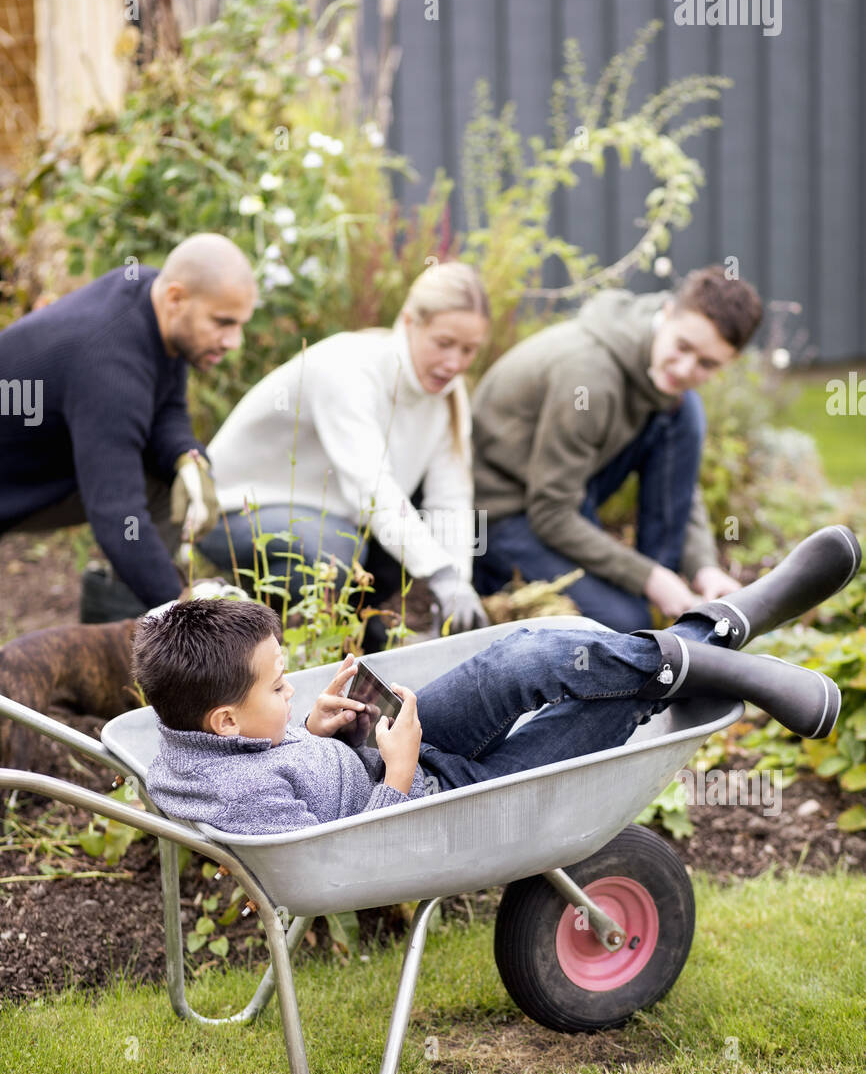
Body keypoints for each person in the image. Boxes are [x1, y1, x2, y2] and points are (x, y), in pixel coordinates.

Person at [132, 526, 859, 836]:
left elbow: (264, 753)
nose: (291, 690)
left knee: (531, 654)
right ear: (226, 719)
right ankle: (725, 634)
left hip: (386, 756)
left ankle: (722, 635)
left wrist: (306, 727)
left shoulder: (202, 730)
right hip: (433, 805)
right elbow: (332, 858)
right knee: (603, 711)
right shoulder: (236, 795)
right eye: (279, 688)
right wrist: (400, 771)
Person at [197, 261, 491, 649]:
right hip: (234, 511)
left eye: (468, 350)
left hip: (335, 519)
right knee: (334, 551)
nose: (454, 363)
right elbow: (369, 488)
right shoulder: (348, 368)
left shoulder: (448, 394)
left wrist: (457, 583)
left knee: (396, 532)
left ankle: (363, 641)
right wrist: (438, 574)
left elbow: (450, 498)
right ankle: (274, 651)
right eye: (443, 343)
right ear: (408, 322)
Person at [471, 265, 764, 632]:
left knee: (684, 410)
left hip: (563, 497)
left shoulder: (661, 374)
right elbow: (550, 513)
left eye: (708, 364)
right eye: (683, 347)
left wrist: (703, 567)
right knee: (623, 626)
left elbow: (680, 485)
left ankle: (668, 599)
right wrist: (647, 578)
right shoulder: (589, 378)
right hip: (500, 516)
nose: (687, 367)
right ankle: (651, 600)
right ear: (668, 312)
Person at [0, 234, 257, 615]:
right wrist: (184, 608)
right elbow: (118, 515)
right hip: (13, 482)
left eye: (239, 325)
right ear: (176, 298)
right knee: (130, 512)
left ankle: (124, 636)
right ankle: (147, 631)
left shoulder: (152, 301)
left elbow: (165, 405)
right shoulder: (110, 366)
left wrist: (188, 458)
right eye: (223, 322)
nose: (234, 341)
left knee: (167, 479)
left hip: (44, 459)